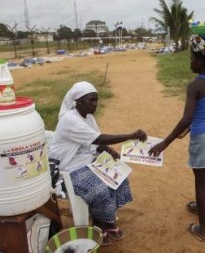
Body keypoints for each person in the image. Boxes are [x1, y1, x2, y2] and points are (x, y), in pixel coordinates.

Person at [148, 35, 205, 242]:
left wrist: (165, 142)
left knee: (201, 184)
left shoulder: (195, 85)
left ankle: (203, 229)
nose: (190, 62)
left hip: (202, 137)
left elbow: (188, 118)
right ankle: (201, 208)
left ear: (201, 61)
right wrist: (189, 128)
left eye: (192, 59)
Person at [49, 81, 147, 246]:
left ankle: (107, 221)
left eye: (96, 100)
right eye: (91, 100)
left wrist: (108, 150)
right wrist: (131, 135)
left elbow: (94, 142)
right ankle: (99, 224)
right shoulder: (70, 120)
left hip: (87, 162)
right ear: (78, 101)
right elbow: (98, 138)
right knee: (99, 190)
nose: (95, 104)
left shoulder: (88, 118)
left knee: (118, 179)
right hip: (70, 169)